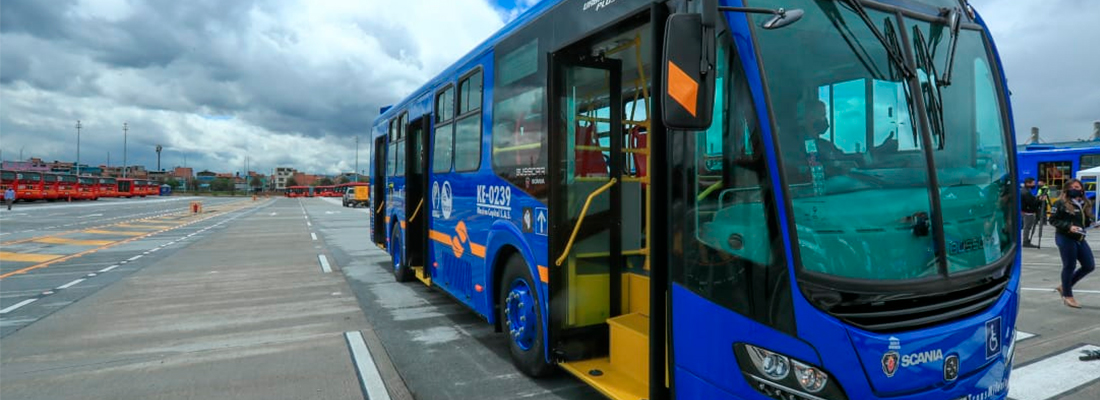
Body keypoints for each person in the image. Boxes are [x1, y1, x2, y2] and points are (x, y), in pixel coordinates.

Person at [1050, 179, 1096, 308]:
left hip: (1080, 237)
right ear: (1067, 189)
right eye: (1074, 187)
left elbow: (1084, 222)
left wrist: (1093, 224)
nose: (1078, 189)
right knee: (1069, 266)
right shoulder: (1060, 203)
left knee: (1089, 265)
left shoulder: (1083, 203)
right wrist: (1068, 226)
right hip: (1065, 237)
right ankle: (1068, 295)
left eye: (1079, 187)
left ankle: (1064, 286)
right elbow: (1053, 220)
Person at [1020, 177, 1042, 247]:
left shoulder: (1024, 190)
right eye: (1033, 183)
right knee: (1027, 227)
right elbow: (1032, 203)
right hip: (1027, 212)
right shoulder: (1026, 192)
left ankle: (1026, 240)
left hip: (1025, 211)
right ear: (1027, 183)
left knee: (1026, 227)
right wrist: (1039, 200)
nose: (1034, 185)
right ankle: (1025, 241)